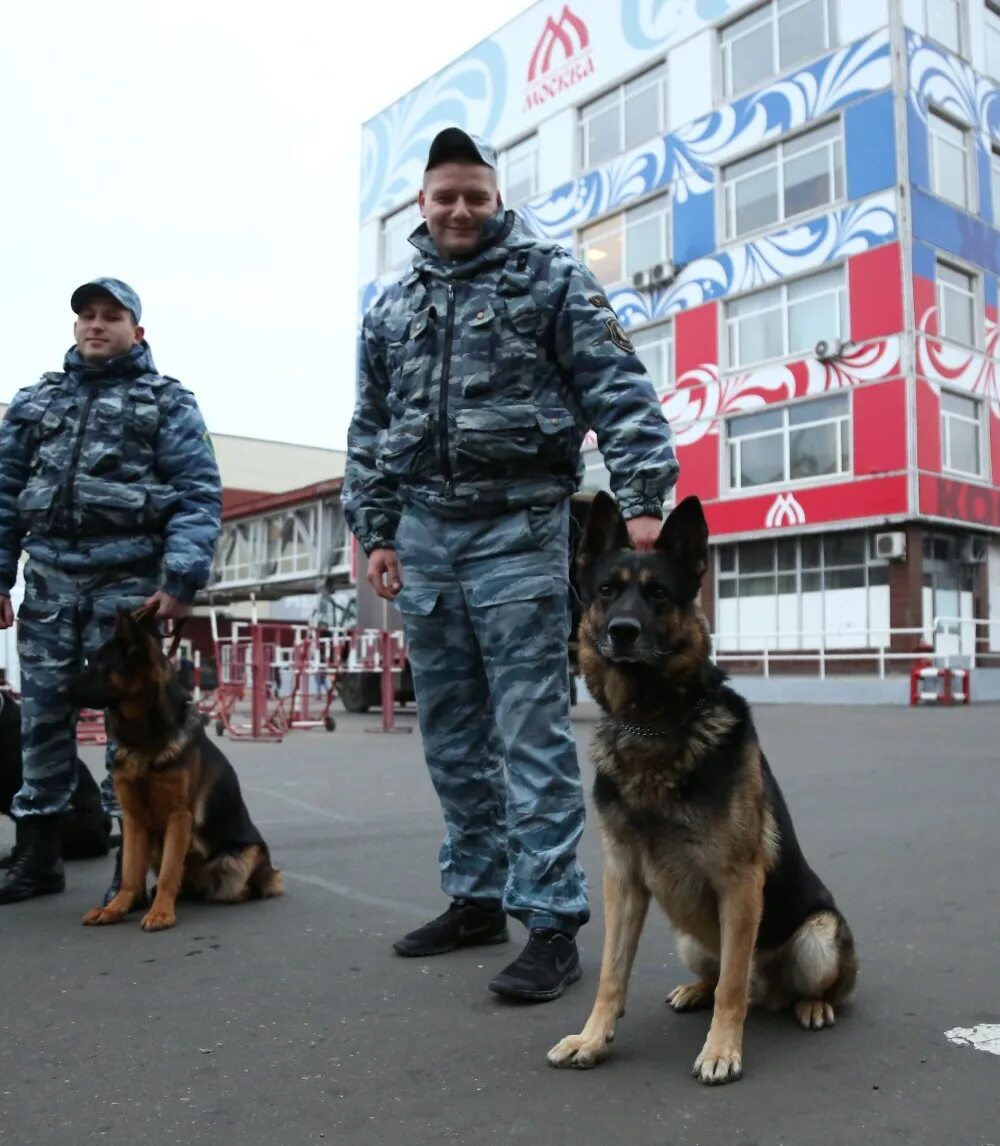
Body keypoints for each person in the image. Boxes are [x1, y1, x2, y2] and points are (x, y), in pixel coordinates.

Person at [343, 127, 679, 1002]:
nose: (460, 210)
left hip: (519, 527)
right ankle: (477, 896)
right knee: (450, 730)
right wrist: (377, 530)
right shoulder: (390, 306)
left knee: (529, 730)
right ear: (421, 203)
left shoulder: (551, 277)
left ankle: (553, 921)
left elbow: (620, 386)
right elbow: (371, 429)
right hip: (422, 533)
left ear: (497, 200)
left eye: (475, 196)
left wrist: (644, 499)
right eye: (444, 196)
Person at [0, 277, 222, 906]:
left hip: (128, 594)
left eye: (112, 316)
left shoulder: (166, 402)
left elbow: (196, 493)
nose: (96, 325)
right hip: (50, 583)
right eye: (87, 315)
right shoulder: (35, 402)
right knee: (42, 721)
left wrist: (182, 580)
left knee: (129, 729)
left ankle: (129, 868)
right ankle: (37, 857)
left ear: (138, 330)